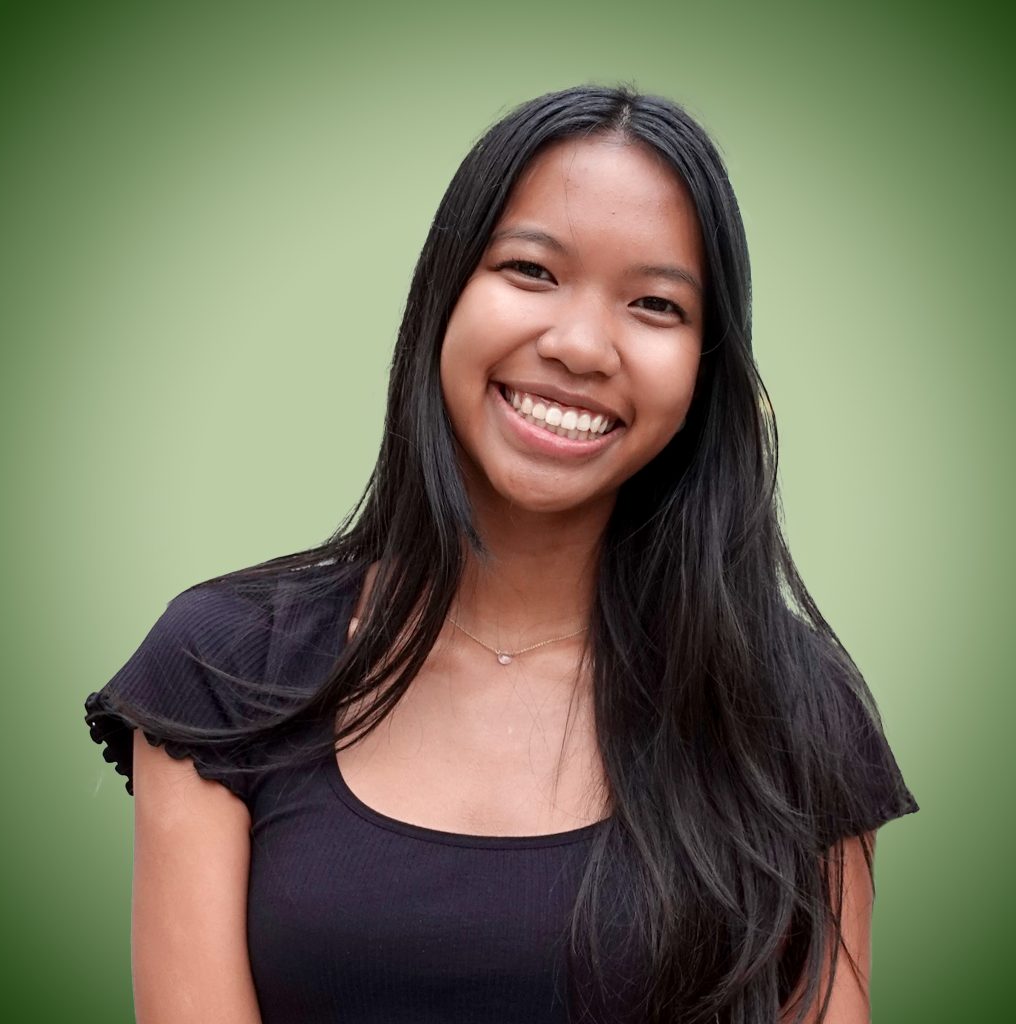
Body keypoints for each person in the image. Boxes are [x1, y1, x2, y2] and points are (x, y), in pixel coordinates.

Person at [83, 83, 918, 1024]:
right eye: (531, 270)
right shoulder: (227, 668)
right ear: (443, 293)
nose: (581, 346)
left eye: (655, 303)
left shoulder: (788, 708)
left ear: (704, 371)